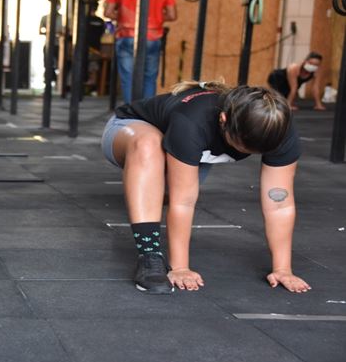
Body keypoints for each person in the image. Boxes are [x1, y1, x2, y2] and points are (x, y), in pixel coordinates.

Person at [101, 80, 311, 294]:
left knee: (165, 191)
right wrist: (180, 267)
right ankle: (150, 255)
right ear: (223, 120)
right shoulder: (192, 122)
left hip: (187, 147)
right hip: (128, 128)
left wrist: (283, 269)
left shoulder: (277, 128)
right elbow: (183, 202)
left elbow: (279, 203)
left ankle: (156, 184)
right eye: (242, 146)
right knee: (149, 144)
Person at [104, 0, 176, 103]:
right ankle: (146, 112)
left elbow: (108, 12)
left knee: (128, 78)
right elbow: (172, 15)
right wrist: (157, 18)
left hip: (127, 34)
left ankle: (131, 111)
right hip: (152, 35)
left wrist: (122, 17)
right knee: (150, 78)